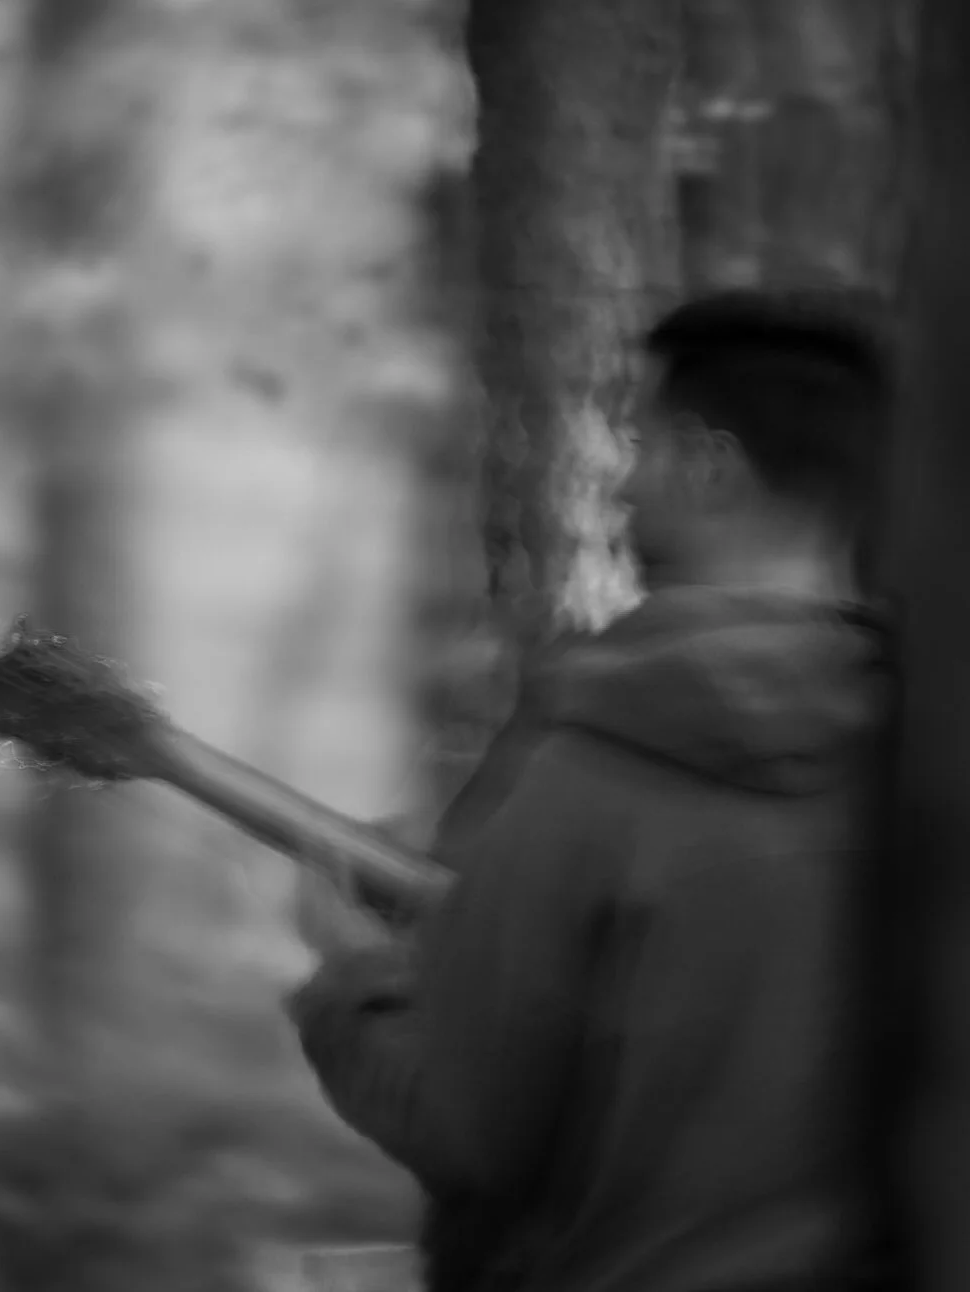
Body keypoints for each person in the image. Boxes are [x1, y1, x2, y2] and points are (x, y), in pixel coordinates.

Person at [287, 289, 898, 1292]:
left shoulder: (594, 762)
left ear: (708, 463)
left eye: (641, 441)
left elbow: (466, 1127)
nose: (620, 482)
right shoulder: (924, 761)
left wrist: (351, 974)